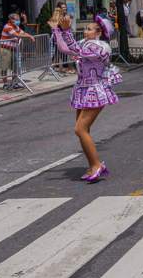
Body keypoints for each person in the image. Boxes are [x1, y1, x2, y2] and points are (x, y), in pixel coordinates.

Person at [50, 10, 119, 181]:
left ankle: (97, 165)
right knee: (82, 131)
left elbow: (76, 50)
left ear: (99, 32)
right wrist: (56, 30)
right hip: (82, 89)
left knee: (80, 129)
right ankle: (93, 164)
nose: (86, 31)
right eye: (86, 28)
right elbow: (65, 48)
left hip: (95, 90)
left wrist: (65, 31)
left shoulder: (101, 47)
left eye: (89, 29)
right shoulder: (85, 43)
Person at [0, 13, 32, 90]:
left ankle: (14, 83)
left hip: (14, 49)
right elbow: (17, 35)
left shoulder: (16, 26)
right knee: (4, 66)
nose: (18, 21)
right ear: (11, 19)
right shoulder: (8, 26)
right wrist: (29, 36)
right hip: (5, 49)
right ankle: (5, 84)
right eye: (16, 19)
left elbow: (22, 32)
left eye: (18, 19)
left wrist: (30, 35)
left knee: (15, 67)